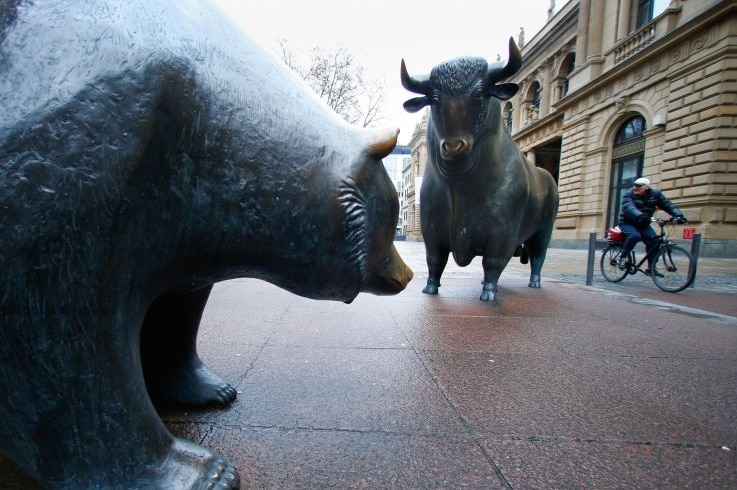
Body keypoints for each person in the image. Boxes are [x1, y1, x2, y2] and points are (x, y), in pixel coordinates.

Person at [617, 177, 687, 275]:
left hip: (643, 224)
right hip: (627, 222)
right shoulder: (628, 194)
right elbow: (629, 207)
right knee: (635, 236)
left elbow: (667, 205)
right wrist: (640, 215)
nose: (635, 187)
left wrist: (678, 215)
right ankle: (622, 257)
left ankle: (651, 268)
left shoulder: (655, 194)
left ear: (646, 187)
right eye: (634, 185)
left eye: (639, 186)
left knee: (654, 242)